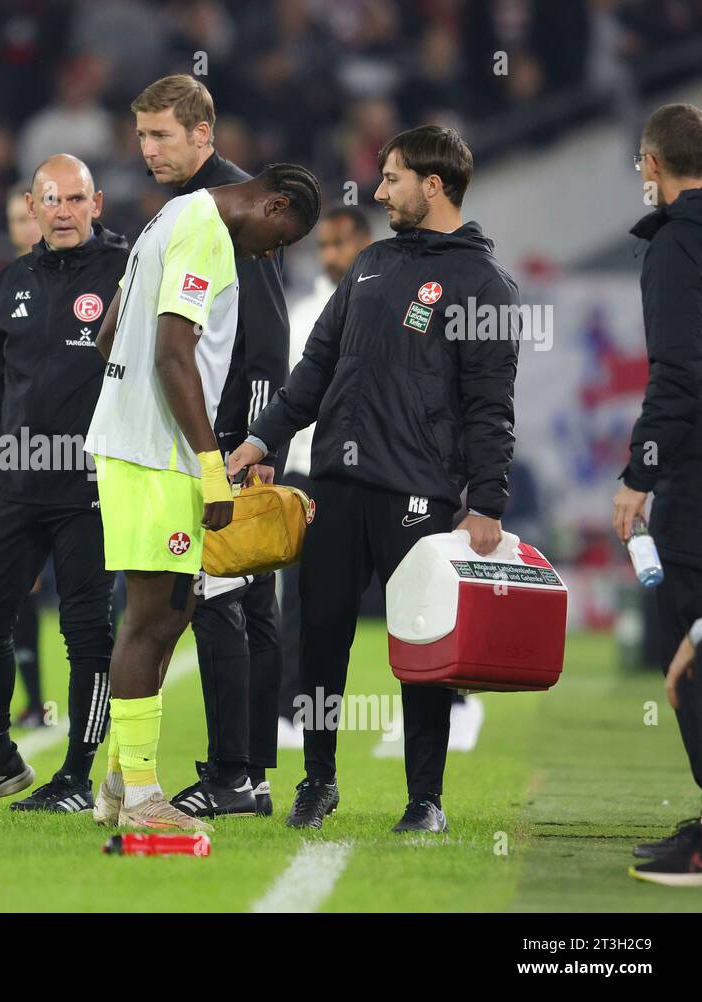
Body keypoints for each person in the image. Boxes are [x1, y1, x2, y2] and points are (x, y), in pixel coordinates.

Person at [228, 126, 520, 833]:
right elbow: (313, 372)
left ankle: (425, 800)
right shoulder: (368, 265)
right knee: (320, 639)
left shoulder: (485, 285)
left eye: (392, 179)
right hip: (334, 486)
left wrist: (486, 502)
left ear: (434, 185)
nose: (380, 191)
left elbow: (490, 407)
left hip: (417, 495)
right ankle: (318, 780)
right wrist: (263, 438)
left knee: (421, 648)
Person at [87, 163, 319, 832]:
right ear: (275, 205)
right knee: (150, 617)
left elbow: (110, 337)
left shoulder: (169, 217)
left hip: (147, 446)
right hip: (160, 454)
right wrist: (211, 465)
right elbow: (172, 355)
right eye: (280, 240)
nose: (269, 255)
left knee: (174, 610)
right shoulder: (207, 233)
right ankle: (141, 799)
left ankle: (117, 781)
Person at [0, 154, 126, 814]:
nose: (64, 210)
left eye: (76, 199)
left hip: (89, 487)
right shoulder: (11, 281)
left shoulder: (126, 272)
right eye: (52, 200)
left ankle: (74, 775)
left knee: (86, 633)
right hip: (13, 482)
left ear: (96, 205)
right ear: (33, 210)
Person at [131, 74, 294, 819]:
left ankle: (233, 772)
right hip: (221, 435)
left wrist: (249, 444)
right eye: (141, 135)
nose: (148, 149)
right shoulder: (199, 204)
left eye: (162, 134)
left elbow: (265, 333)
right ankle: (249, 774)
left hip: (226, 440)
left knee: (222, 603)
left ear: (204, 134)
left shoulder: (227, 206)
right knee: (241, 603)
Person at [614, 103, 702, 886]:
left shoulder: (677, 245)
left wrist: (638, 476)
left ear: (652, 164)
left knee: (696, 657)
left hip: (696, 486)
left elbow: (677, 377)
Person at [275, 205, 372, 752]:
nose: (331, 255)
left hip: (373, 472)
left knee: (408, 593)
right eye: (325, 246)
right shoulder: (303, 311)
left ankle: (448, 698)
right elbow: (292, 396)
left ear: (363, 242)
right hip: (306, 473)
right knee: (301, 597)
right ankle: (292, 709)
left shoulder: (384, 304)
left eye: (341, 244)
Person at [4, 180, 52, 730]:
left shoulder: (81, 283)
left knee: (95, 597)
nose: (24, 228)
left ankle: (104, 704)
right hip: (20, 460)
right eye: (15, 220)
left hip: (76, 460)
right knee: (22, 590)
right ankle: (35, 701)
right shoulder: (1, 293)